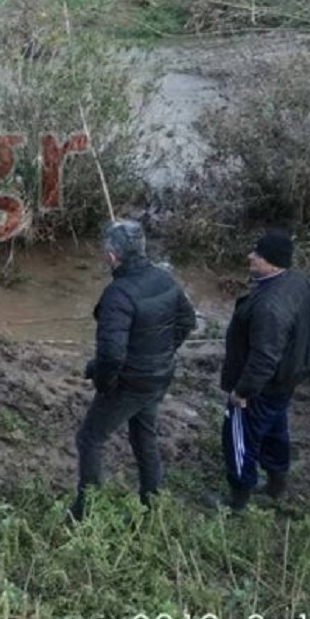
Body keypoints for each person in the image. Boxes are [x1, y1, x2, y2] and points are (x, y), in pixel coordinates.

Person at [71, 220, 197, 521]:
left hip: (131, 383)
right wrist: (161, 354)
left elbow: (112, 355)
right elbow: (187, 322)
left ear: (113, 256)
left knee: (89, 438)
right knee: (144, 436)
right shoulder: (164, 279)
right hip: (159, 376)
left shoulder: (118, 295)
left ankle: (84, 511)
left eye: (106, 251)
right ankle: (151, 505)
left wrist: (104, 383)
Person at [219, 229, 310, 511]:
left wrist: (242, 391)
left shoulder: (268, 306)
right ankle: (277, 484)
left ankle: (238, 500)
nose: (250, 257)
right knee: (275, 428)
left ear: (274, 264)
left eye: (258, 254)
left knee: (239, 437)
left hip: (261, 385)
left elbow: (264, 356)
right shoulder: (304, 283)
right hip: (287, 378)